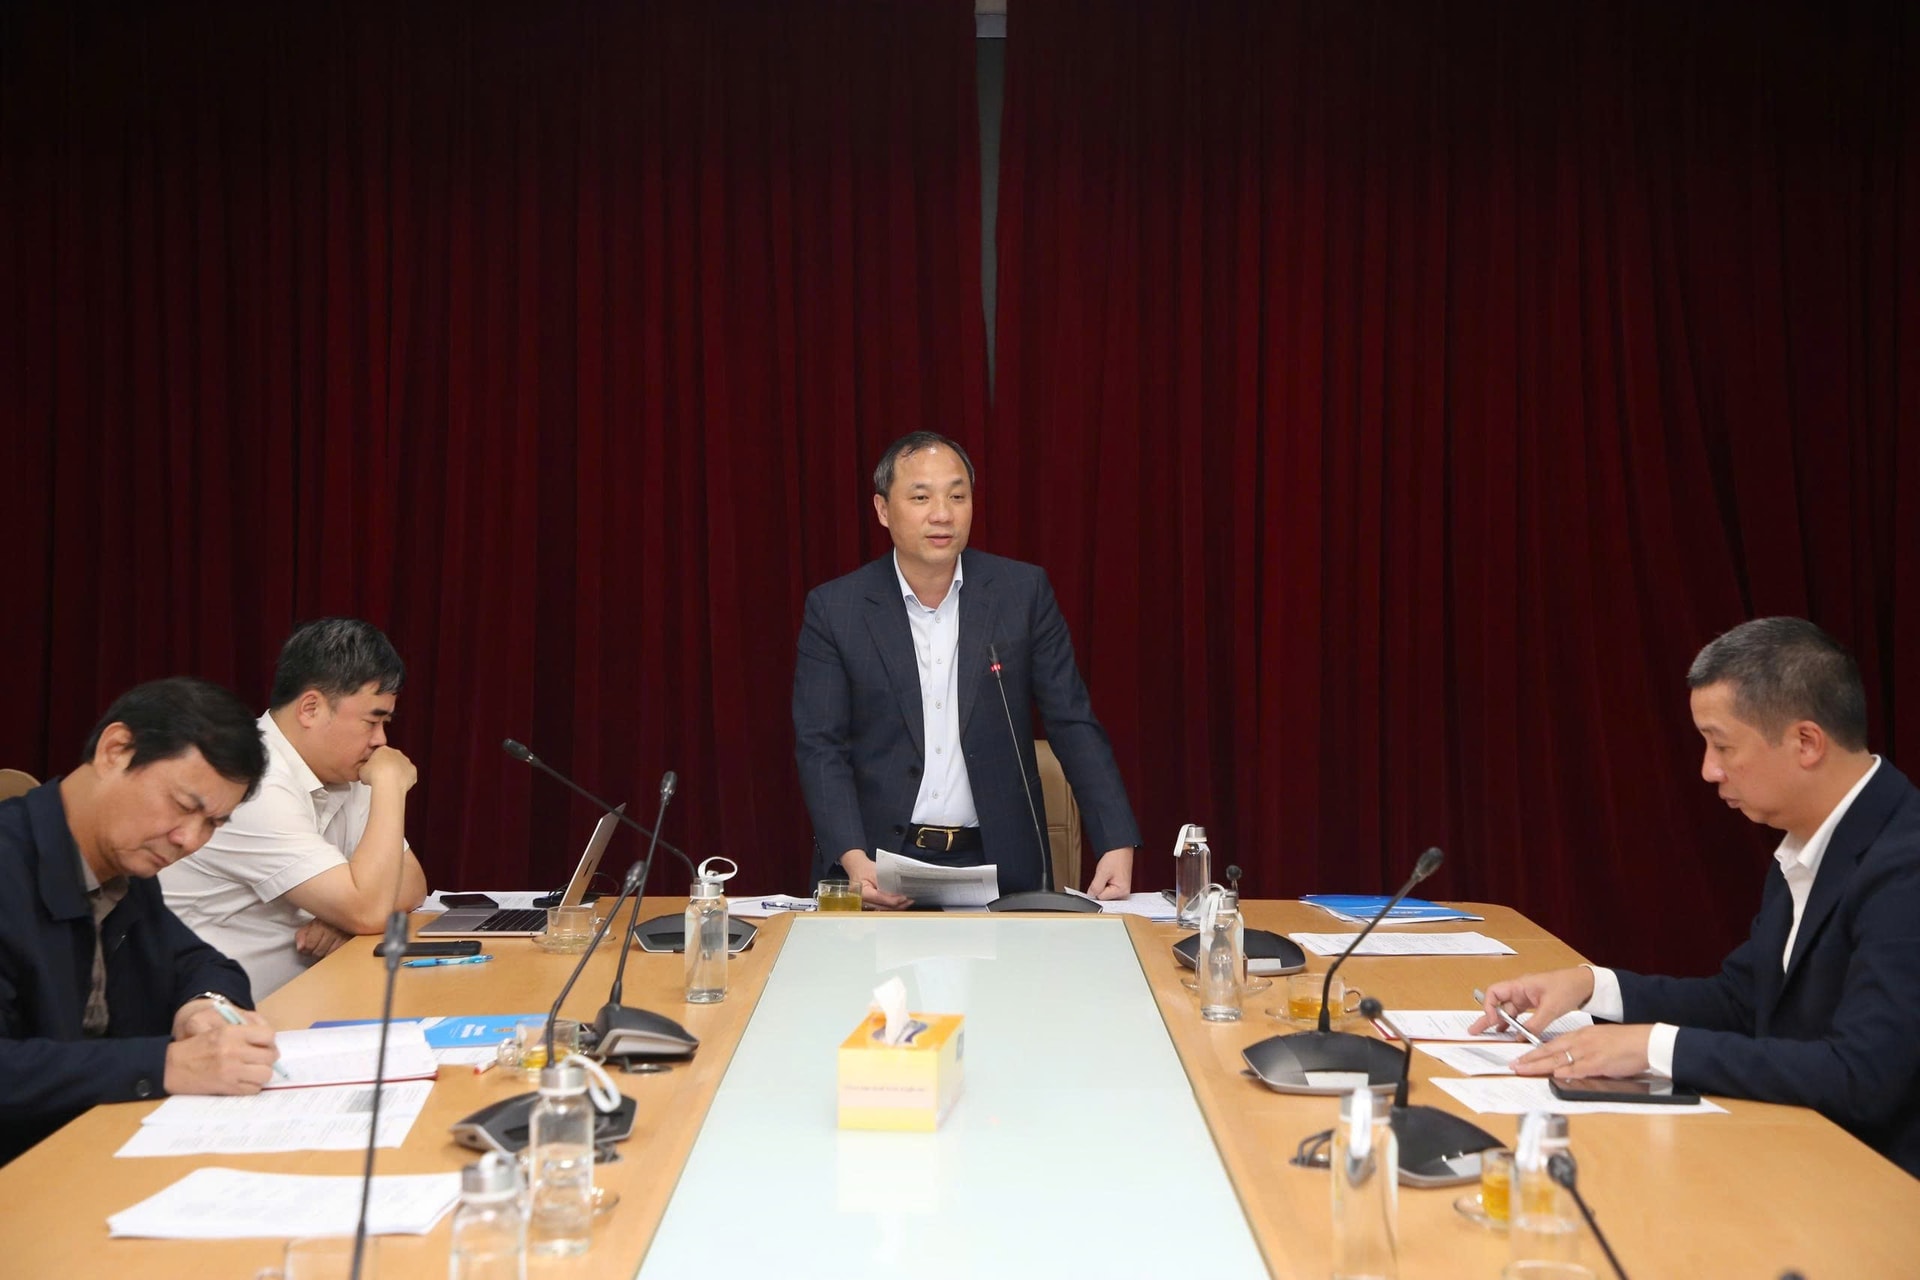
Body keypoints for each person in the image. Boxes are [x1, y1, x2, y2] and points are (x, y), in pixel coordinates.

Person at [1474, 617, 1920, 1176]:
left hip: (1878, 1185)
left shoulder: (1906, 864)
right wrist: (1592, 986)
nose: (1709, 770)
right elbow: (1745, 1001)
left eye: (1722, 745)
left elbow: (1864, 1076)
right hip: (1798, 1150)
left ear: (1806, 742)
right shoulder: (1811, 839)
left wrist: (1655, 1048)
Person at [793, 431, 1142, 907]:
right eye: (921, 497)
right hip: (876, 864)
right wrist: (854, 860)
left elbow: (1071, 721)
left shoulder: (1021, 593)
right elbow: (820, 746)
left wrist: (1116, 838)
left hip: (999, 863)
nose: (942, 514)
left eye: (957, 496)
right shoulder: (838, 609)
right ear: (882, 509)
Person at [0, 677, 280, 1166]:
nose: (189, 839)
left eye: (212, 823)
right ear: (115, 750)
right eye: (184, 806)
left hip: (94, 1149)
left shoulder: (125, 866)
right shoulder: (13, 864)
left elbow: (198, 962)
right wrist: (166, 1064)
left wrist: (204, 1008)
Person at [162, 618, 428, 998]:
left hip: (302, 1000)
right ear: (310, 708)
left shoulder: (342, 767)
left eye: (385, 722)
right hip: (216, 1013)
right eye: (372, 721)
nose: (381, 740)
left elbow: (413, 883)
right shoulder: (252, 780)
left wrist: (344, 918)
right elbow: (369, 910)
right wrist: (390, 784)